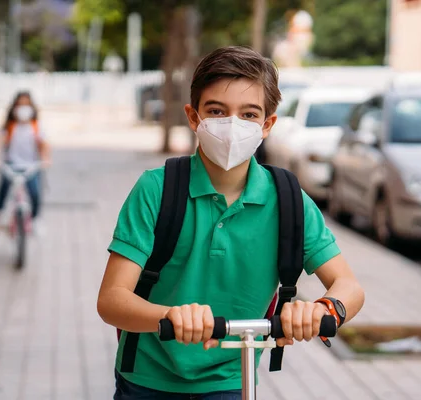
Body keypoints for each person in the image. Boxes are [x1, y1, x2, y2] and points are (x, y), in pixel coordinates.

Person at [98, 46, 365, 399]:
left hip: (231, 380)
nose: (232, 125)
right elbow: (112, 300)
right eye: (216, 111)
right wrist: (171, 315)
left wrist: (322, 309)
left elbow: (349, 285)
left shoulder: (288, 201)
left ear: (268, 124)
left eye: (249, 114)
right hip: (147, 380)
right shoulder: (156, 190)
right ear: (194, 118)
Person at [0, 91, 51, 232]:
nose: (23, 108)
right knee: (3, 188)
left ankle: (35, 219)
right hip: (11, 165)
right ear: (14, 108)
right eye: (20, 105)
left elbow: (45, 144)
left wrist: (46, 159)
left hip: (31, 166)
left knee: (35, 193)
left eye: (26, 105)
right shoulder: (9, 126)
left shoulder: (36, 126)